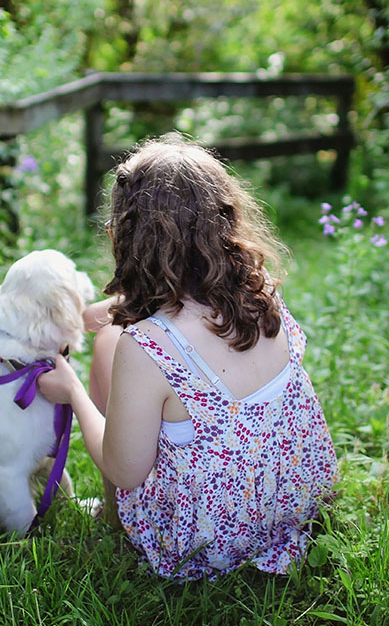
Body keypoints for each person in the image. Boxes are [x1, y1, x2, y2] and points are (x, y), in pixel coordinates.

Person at [38, 136, 337, 580]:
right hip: (293, 502)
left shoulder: (144, 347)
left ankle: (114, 518)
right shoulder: (260, 292)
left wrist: (74, 394)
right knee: (110, 335)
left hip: (205, 540)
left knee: (107, 344)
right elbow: (175, 313)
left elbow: (126, 470)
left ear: (123, 236)